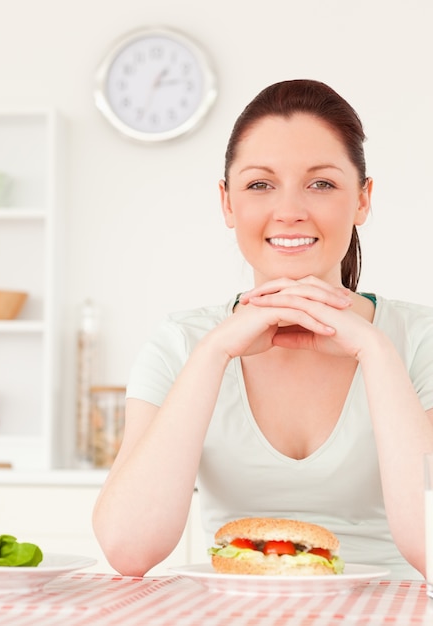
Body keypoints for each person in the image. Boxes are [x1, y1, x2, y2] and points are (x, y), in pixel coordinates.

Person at [92, 79, 433, 580]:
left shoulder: (419, 338)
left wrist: (375, 353)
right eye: (259, 184)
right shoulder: (182, 343)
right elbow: (128, 549)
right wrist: (215, 354)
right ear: (228, 204)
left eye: (321, 183)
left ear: (363, 199)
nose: (289, 210)